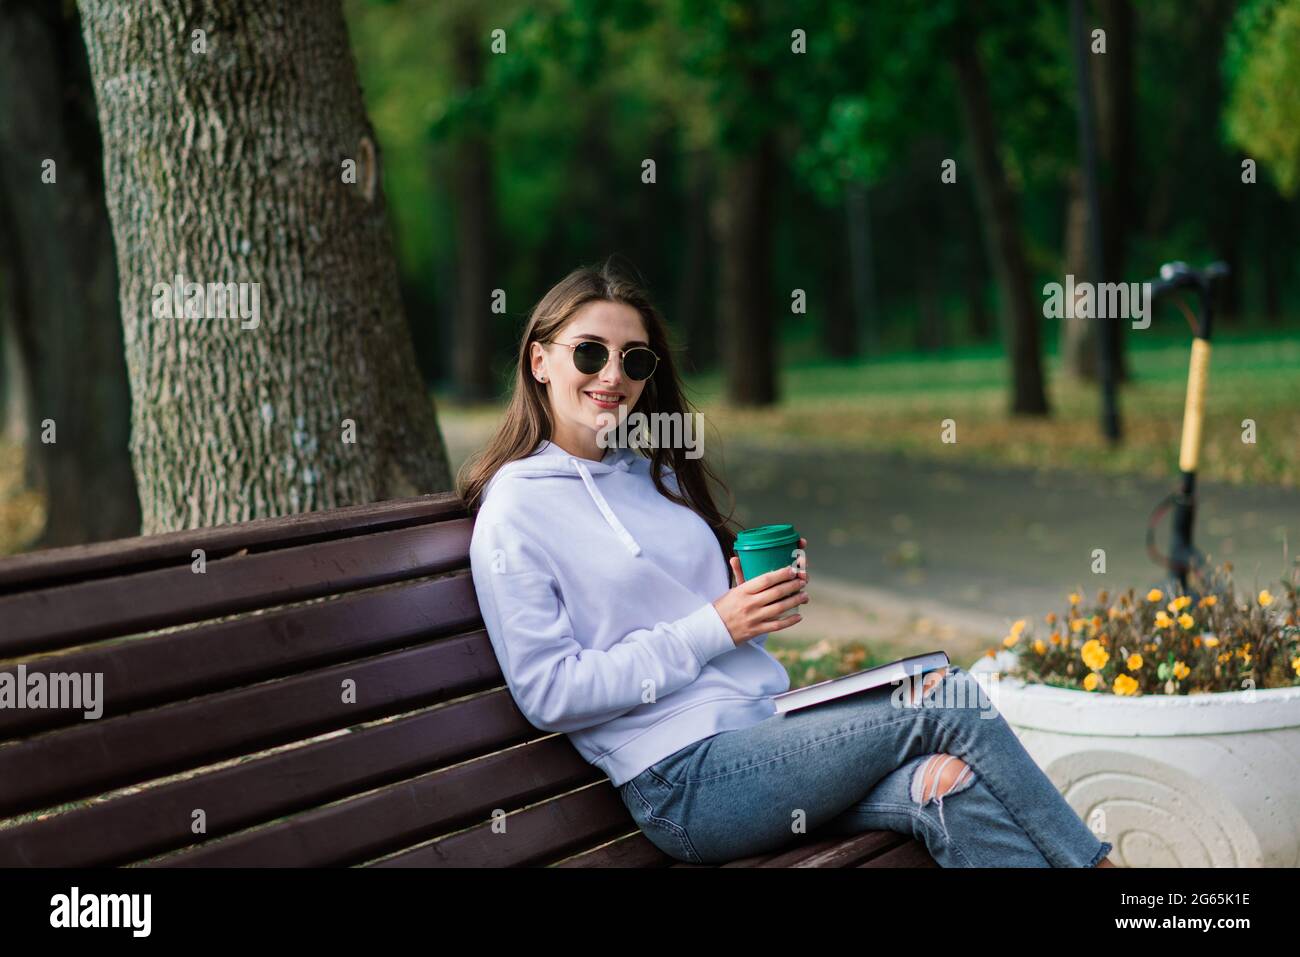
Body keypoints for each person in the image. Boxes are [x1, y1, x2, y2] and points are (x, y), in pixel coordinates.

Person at [459, 259, 1116, 868]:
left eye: (633, 360)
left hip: (766, 737)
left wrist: (750, 603)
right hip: (684, 778)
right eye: (591, 353)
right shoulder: (516, 509)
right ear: (540, 360)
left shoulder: (647, 474)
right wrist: (715, 623)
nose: (613, 376)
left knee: (945, 784)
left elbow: (714, 635)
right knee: (947, 700)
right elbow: (549, 692)